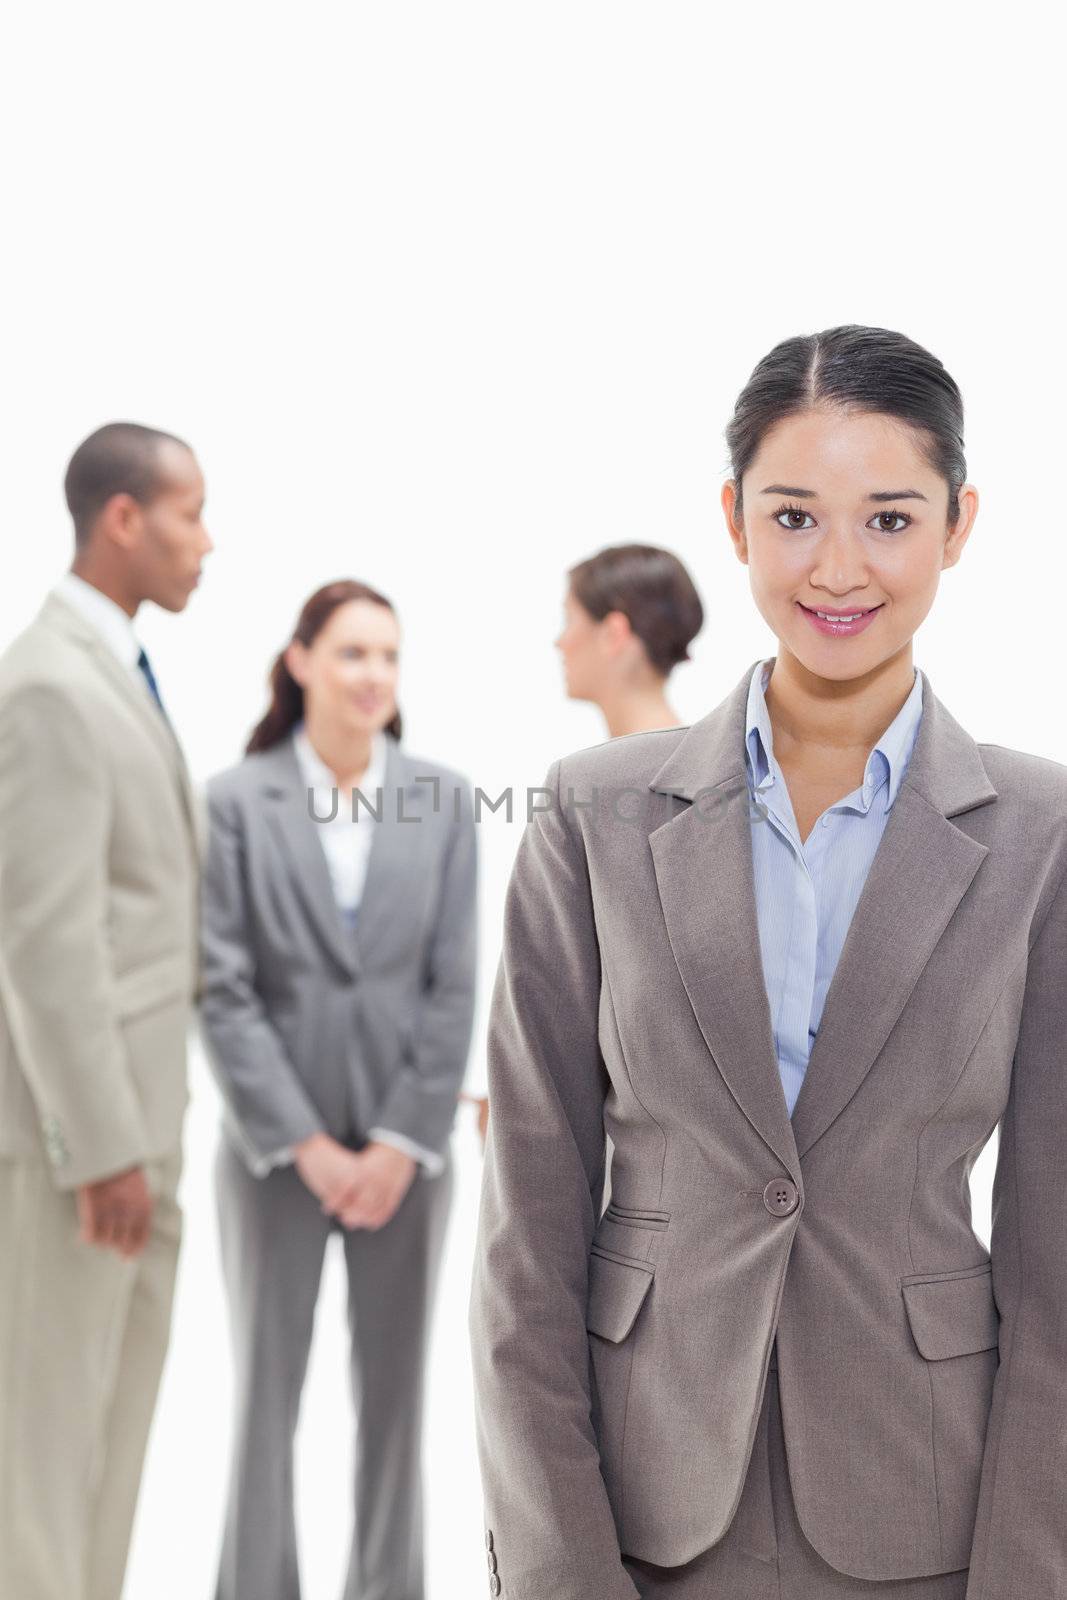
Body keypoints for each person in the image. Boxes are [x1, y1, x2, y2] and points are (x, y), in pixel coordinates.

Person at [468, 325, 1067, 1599]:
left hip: (928, 1512)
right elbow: (528, 1234)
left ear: (958, 526)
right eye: (793, 515)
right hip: (642, 1508)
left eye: (888, 519)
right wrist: (557, 1571)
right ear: (731, 519)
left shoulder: (1039, 833)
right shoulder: (591, 813)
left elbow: (1052, 1263)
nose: (837, 567)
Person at [199, 578, 478, 1600]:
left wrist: (402, 1140)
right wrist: (306, 1144)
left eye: (389, 657)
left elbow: (456, 983)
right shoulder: (236, 799)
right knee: (264, 1397)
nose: (373, 676)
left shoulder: (440, 797)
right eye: (353, 652)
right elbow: (221, 989)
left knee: (397, 1402)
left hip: (408, 1157)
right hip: (276, 1151)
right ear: (300, 658)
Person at [0, 421, 211, 1600]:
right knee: (39, 1461)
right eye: (190, 513)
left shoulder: (116, 670)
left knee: (110, 1455)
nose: (205, 541)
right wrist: (98, 1148)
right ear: (122, 518)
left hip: (142, 1132)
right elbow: (42, 940)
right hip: (72, 1149)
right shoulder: (44, 686)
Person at [555, 543, 704, 736]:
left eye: (569, 620)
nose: (559, 642)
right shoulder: (693, 755)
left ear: (613, 633)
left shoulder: (622, 763)